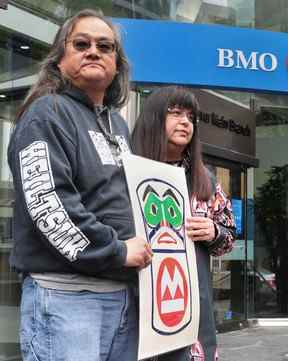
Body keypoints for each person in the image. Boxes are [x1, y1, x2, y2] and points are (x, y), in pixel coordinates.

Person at [8, 9, 153, 361]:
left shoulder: (118, 125)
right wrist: (118, 251)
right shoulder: (46, 113)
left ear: (117, 65)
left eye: (105, 46)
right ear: (59, 59)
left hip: (122, 297)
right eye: (81, 44)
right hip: (66, 299)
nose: (93, 51)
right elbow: (49, 205)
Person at [132, 85, 236, 361]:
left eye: (190, 117)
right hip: (135, 302)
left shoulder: (206, 181)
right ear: (153, 119)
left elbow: (228, 237)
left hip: (190, 306)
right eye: (175, 113)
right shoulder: (128, 171)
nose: (185, 122)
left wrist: (214, 231)